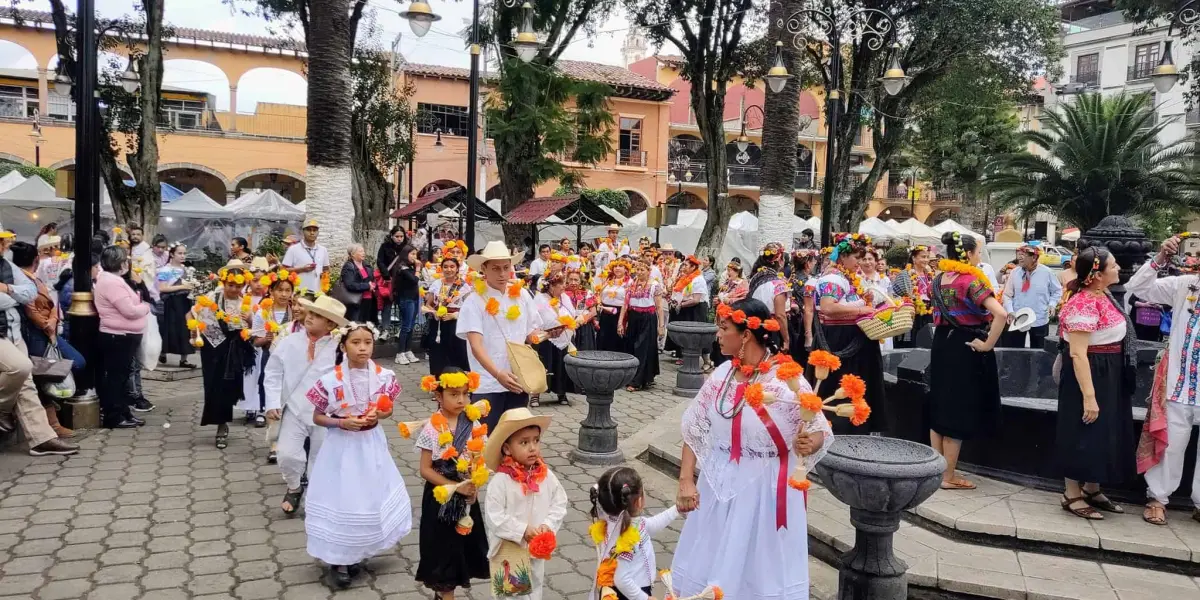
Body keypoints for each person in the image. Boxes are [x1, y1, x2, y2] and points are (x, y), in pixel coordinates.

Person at [672, 298, 832, 598]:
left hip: (765, 489)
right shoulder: (721, 375)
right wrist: (685, 480)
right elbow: (694, 428)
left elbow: (818, 427)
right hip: (717, 484)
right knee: (713, 555)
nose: (718, 335)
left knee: (757, 568)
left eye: (724, 328)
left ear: (746, 334)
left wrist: (810, 441)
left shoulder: (787, 381)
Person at [303, 321, 410, 587]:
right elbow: (317, 416)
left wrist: (379, 414)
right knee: (343, 497)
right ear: (343, 346)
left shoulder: (385, 376)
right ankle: (339, 559)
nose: (362, 348)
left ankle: (358, 551)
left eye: (367, 342)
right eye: (355, 342)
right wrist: (341, 422)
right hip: (341, 447)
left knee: (368, 495)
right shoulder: (329, 380)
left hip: (371, 444)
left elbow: (388, 410)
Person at [1055, 247, 1135, 521]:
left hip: (1108, 371)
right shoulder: (1082, 303)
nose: (1118, 269)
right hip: (1088, 371)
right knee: (1081, 427)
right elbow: (1077, 353)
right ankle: (1071, 493)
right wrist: (1089, 396)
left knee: (1102, 430)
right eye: (1113, 266)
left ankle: (1091, 487)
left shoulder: (1104, 295)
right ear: (1097, 275)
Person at [1127, 236, 1198, 525]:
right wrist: (1159, 259)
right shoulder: (1187, 285)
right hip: (1180, 382)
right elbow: (1138, 288)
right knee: (1171, 443)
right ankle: (1158, 498)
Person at [928, 232, 1008, 491]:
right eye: (978, 253)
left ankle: (938, 470)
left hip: (941, 343)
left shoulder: (939, 279)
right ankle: (948, 476)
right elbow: (1001, 314)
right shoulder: (970, 280)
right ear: (970, 254)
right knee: (957, 407)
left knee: (940, 403)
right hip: (965, 344)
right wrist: (987, 344)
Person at [457, 241, 553, 431]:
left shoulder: (522, 295)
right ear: (484, 268)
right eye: (496, 269)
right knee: (486, 437)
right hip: (487, 382)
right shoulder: (474, 301)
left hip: (518, 379)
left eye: (506, 268)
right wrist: (497, 374)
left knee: (514, 437)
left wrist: (550, 333)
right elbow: (476, 346)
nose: (502, 274)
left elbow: (530, 334)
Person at [263, 295, 345, 516]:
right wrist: (272, 402)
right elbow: (272, 372)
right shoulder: (290, 341)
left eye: (318, 316)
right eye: (311, 312)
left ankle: (315, 499)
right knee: (287, 455)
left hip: (325, 415)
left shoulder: (339, 348)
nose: (310, 317)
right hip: (294, 409)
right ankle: (294, 486)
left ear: (331, 324)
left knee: (319, 459)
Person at [414, 368, 490, 597]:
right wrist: (453, 486)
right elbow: (425, 469)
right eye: (454, 394)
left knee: (462, 550)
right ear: (438, 396)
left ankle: (445, 591)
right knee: (442, 553)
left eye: (466, 394)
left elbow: (480, 461)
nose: (461, 400)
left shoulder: (474, 423)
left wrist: (475, 485)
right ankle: (444, 591)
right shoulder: (433, 427)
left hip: (467, 497)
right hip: (441, 498)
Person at [482, 408, 568, 600]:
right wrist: (522, 530)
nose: (532, 448)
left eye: (536, 440)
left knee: (535, 587)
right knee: (511, 592)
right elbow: (494, 517)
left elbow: (559, 502)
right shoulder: (501, 481)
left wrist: (548, 525)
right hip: (509, 549)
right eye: (524, 442)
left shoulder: (546, 476)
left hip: (535, 548)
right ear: (506, 448)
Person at [805, 233, 886, 434]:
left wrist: (862, 300)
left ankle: (853, 426)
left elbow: (843, 303)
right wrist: (861, 309)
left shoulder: (845, 277)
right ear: (842, 258)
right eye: (856, 258)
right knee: (837, 386)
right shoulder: (833, 277)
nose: (860, 263)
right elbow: (828, 307)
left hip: (848, 339)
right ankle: (838, 429)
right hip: (839, 339)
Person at [11, 241, 82, 439]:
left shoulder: (33, 278)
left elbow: (51, 304)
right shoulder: (20, 280)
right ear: (36, 260)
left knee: (68, 365)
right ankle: (52, 421)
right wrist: (47, 325)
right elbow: (30, 308)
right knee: (44, 374)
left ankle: (54, 415)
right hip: (34, 332)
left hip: (47, 329)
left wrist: (51, 321)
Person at [588, 466, 679, 600]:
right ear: (639, 501)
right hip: (630, 592)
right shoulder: (626, 538)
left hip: (623, 589)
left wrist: (677, 509)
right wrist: (644, 598)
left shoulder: (614, 522)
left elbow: (652, 526)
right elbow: (621, 579)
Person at [192, 262, 253, 448]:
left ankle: (223, 425)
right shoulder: (212, 297)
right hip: (212, 346)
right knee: (212, 384)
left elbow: (251, 325)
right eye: (230, 285)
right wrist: (194, 334)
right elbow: (193, 314)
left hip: (234, 347)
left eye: (238, 286)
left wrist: (247, 320)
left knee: (228, 386)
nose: (233, 289)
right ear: (224, 283)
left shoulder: (244, 303)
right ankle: (218, 421)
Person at [94, 245, 151, 429]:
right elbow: (130, 310)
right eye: (125, 259)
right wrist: (146, 307)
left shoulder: (114, 280)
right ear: (119, 262)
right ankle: (114, 415)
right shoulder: (111, 281)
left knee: (123, 377)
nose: (127, 263)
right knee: (116, 378)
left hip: (125, 335)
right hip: (117, 335)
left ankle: (123, 411)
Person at [239, 272, 296, 428]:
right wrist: (266, 339)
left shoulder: (295, 312)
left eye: (287, 290)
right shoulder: (263, 312)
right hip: (269, 357)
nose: (284, 294)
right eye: (280, 290)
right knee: (269, 386)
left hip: (292, 360)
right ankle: (266, 413)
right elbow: (256, 342)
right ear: (271, 291)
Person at [1001, 245, 1062, 349]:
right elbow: (1007, 295)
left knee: (1040, 352)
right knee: (1015, 352)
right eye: (1019, 255)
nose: (1019, 257)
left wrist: (1052, 305)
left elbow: (1057, 291)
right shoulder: (1014, 273)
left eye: (1023, 255)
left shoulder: (1047, 272)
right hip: (1018, 319)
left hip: (1040, 318)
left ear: (1034, 257)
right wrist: (1010, 311)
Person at [619, 262, 663, 392]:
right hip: (634, 317)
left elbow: (659, 307)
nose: (639, 272)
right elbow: (625, 305)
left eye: (642, 269)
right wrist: (620, 322)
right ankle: (632, 376)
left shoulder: (654, 285)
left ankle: (638, 381)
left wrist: (661, 326)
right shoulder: (631, 284)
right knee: (632, 346)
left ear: (648, 271)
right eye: (637, 269)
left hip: (648, 318)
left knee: (643, 347)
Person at [534, 273, 577, 406]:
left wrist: (567, 323)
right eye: (561, 284)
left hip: (563, 336)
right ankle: (535, 395)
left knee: (561, 365)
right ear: (551, 286)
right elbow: (538, 316)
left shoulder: (565, 297)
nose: (564, 287)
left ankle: (561, 392)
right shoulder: (540, 298)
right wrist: (552, 326)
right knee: (542, 365)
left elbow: (572, 313)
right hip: (546, 337)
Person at [425, 256, 469, 376]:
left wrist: (454, 315)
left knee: (457, 351)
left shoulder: (464, 286)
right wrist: (435, 313)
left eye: (452, 266)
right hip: (438, 323)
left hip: (455, 323)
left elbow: (469, 309)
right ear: (441, 268)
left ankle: (459, 381)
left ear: (457, 269)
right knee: (438, 353)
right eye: (445, 267)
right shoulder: (436, 284)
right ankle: (439, 383)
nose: (448, 269)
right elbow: (428, 304)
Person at [156, 243, 196, 369]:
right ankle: (163, 352)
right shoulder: (165, 270)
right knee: (170, 327)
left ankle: (184, 358)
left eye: (184, 253)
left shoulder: (186, 269)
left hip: (185, 301)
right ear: (172, 254)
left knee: (186, 327)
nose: (183, 256)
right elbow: (162, 288)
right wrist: (182, 286)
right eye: (180, 253)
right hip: (172, 302)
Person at [748, 243, 791, 353]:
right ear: (780, 260)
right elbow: (780, 315)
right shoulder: (778, 284)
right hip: (772, 329)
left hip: (755, 326)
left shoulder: (755, 279)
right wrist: (786, 339)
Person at [896, 245, 935, 348]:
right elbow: (897, 293)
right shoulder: (905, 274)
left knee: (926, 340)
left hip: (927, 312)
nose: (926, 260)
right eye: (923, 257)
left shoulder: (929, 274)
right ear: (914, 258)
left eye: (927, 257)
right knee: (912, 342)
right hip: (911, 312)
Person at [391, 244, 422, 366]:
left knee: (411, 326)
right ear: (406, 254)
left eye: (415, 254)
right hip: (406, 299)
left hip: (414, 298)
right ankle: (400, 353)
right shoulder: (402, 268)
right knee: (406, 326)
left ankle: (408, 350)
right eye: (412, 254)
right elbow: (414, 280)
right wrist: (418, 268)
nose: (415, 256)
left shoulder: (410, 267)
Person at [282, 218, 330, 294]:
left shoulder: (323, 250)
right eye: (309, 230)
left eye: (314, 230)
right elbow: (283, 270)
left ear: (318, 232)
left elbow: (326, 269)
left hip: (317, 293)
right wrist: (302, 269)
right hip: (298, 293)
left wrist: (324, 283)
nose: (312, 233)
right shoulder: (293, 249)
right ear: (303, 232)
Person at [376, 226, 407, 337]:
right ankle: (385, 329)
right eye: (397, 236)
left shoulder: (407, 248)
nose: (399, 239)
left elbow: (411, 261)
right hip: (388, 279)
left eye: (401, 236)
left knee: (401, 305)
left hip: (402, 280)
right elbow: (380, 261)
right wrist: (386, 275)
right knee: (387, 304)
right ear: (392, 236)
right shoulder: (385, 247)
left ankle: (400, 329)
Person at [595, 260, 631, 353]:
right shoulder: (608, 280)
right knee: (604, 338)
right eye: (615, 266)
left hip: (620, 312)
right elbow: (600, 294)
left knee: (617, 340)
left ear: (626, 269)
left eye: (620, 266)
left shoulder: (629, 282)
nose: (617, 268)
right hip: (605, 312)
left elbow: (626, 301)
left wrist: (621, 321)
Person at [339, 243, 376, 323]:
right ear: (353, 254)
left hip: (368, 299)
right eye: (360, 251)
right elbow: (350, 284)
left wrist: (373, 285)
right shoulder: (349, 266)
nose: (363, 253)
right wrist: (367, 286)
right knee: (356, 324)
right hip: (356, 301)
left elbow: (371, 279)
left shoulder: (366, 265)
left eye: (363, 251)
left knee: (366, 324)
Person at [564, 270, 597, 352]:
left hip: (584, 328)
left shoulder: (587, 293)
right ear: (567, 280)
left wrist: (579, 322)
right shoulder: (562, 293)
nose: (573, 282)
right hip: (567, 327)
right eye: (571, 279)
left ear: (580, 281)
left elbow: (593, 312)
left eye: (576, 280)